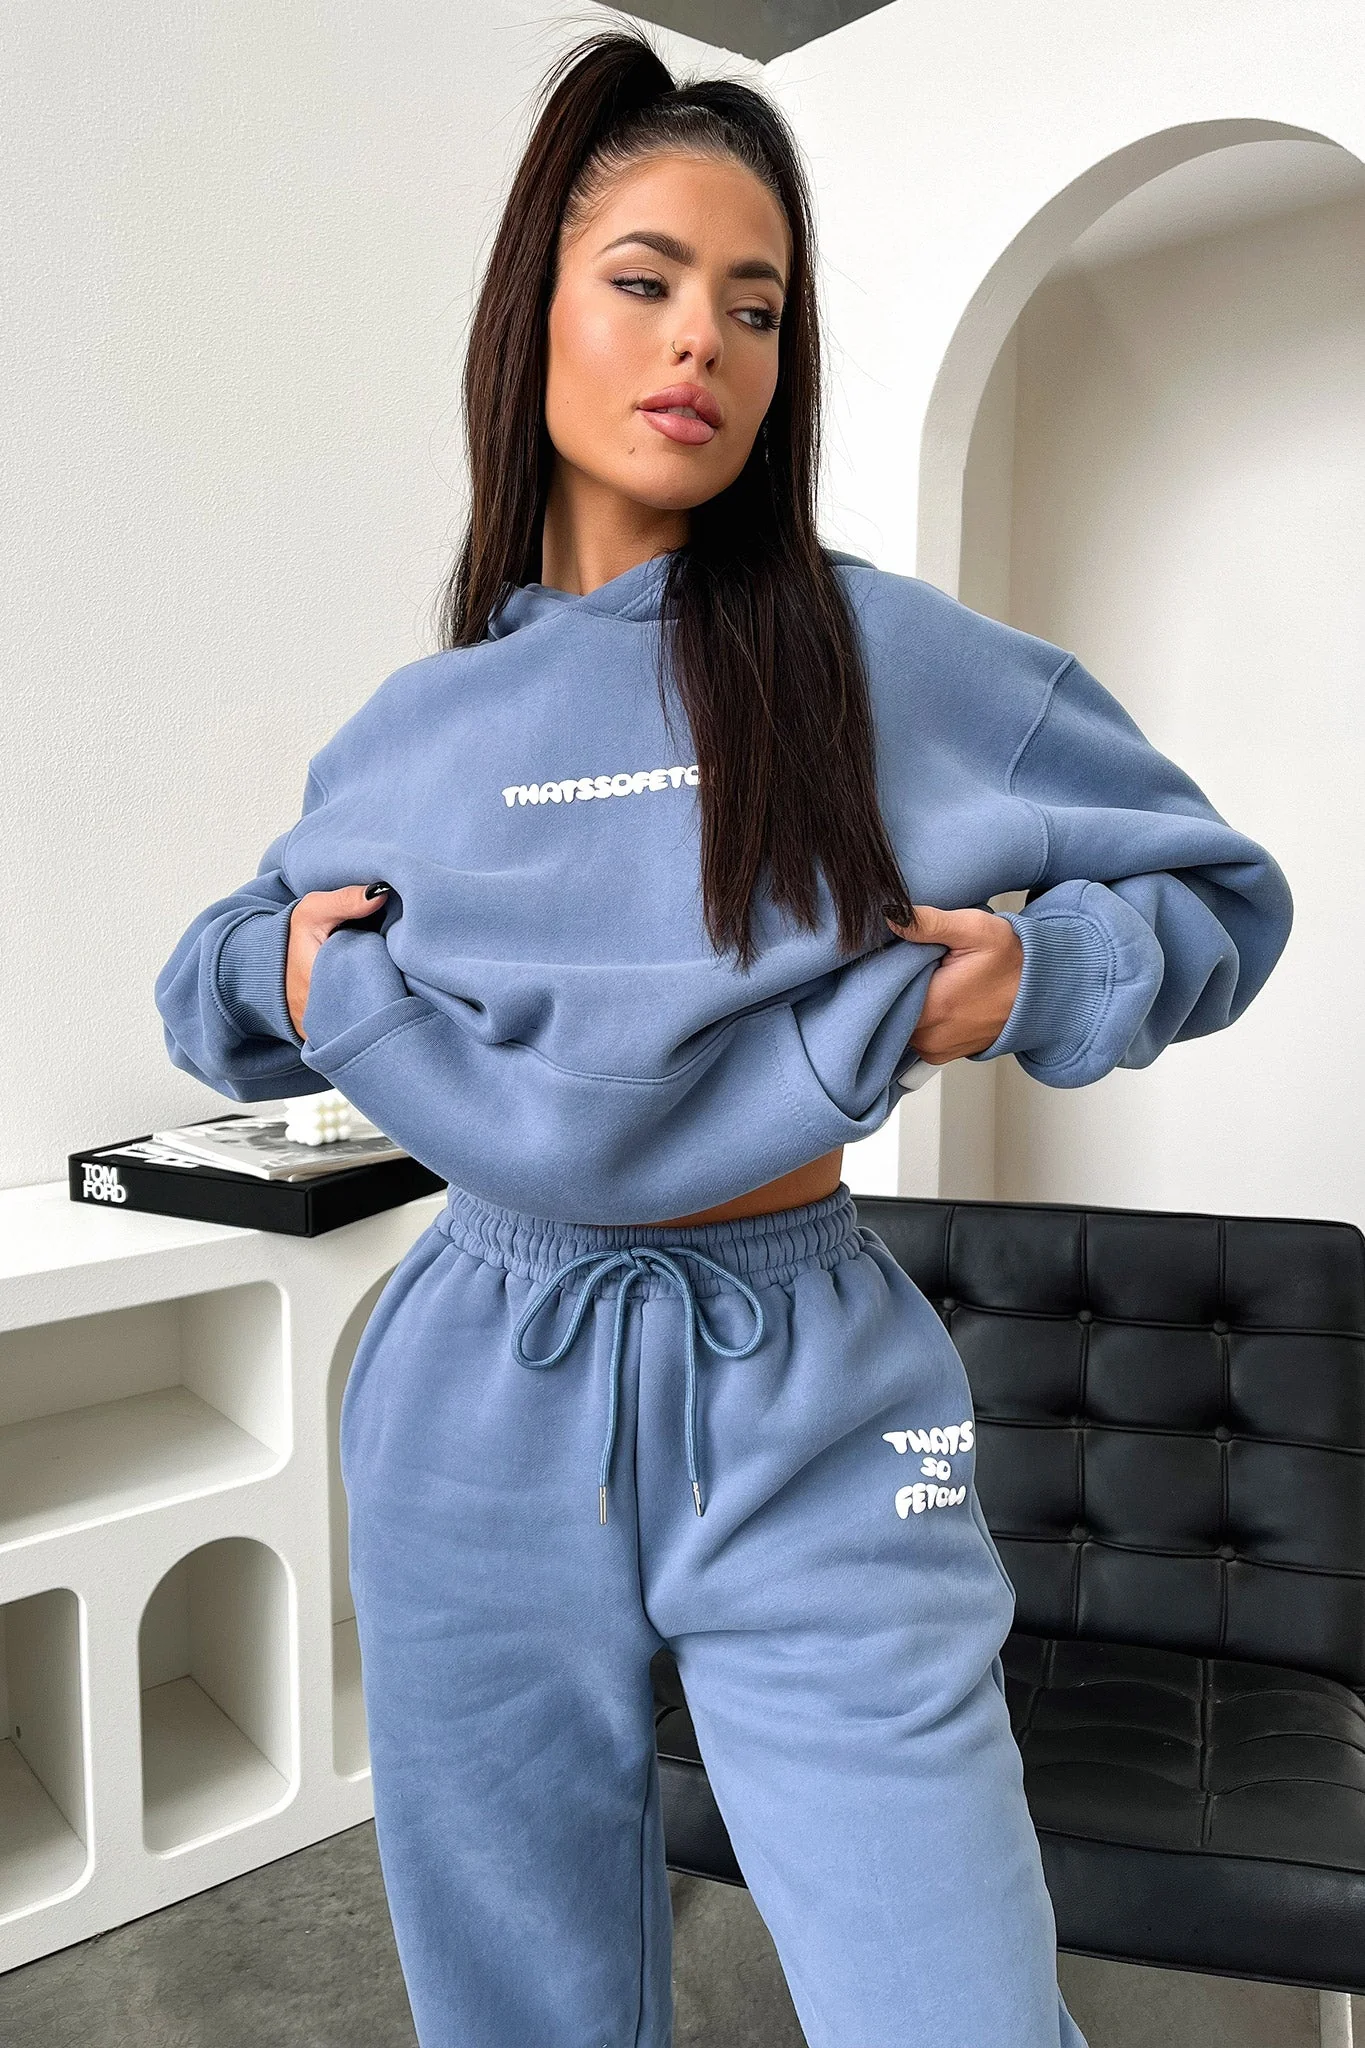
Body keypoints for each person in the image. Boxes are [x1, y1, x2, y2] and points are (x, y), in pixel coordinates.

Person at [154, 29, 1293, 2048]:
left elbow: (1219, 899)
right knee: (519, 2004)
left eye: (755, 307)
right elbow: (215, 983)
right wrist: (295, 982)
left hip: (821, 1392)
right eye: (648, 279)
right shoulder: (421, 730)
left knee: (953, 2006)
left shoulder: (887, 657)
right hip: (472, 1384)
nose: (704, 340)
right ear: (534, 318)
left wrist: (1035, 979)